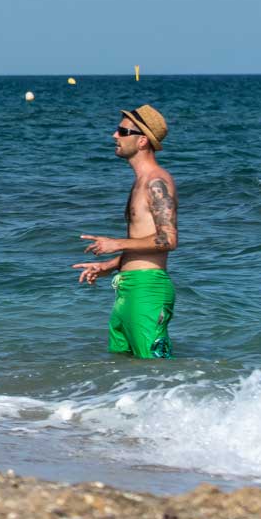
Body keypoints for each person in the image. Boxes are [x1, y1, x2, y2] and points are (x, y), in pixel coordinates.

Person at [72, 105, 179, 359]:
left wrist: (116, 243)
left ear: (142, 140)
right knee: (125, 372)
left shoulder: (156, 181)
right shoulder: (140, 182)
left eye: (122, 130)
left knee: (157, 370)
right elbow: (144, 241)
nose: (114, 135)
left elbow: (168, 239)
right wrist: (111, 265)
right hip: (127, 289)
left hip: (147, 291)